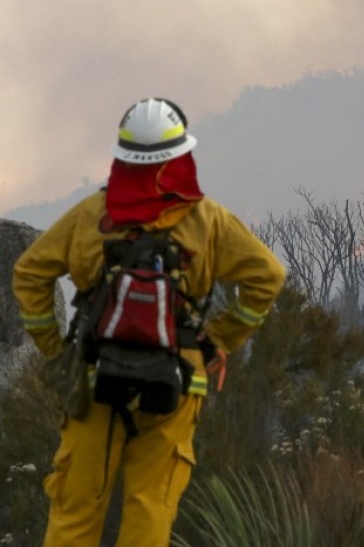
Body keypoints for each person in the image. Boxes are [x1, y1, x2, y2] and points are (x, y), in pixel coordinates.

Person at [12, 97, 286, 547]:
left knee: (76, 509)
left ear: (122, 158)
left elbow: (29, 272)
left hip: (94, 378)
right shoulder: (208, 220)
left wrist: (53, 347)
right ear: (180, 157)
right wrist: (221, 339)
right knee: (150, 506)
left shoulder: (90, 216)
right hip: (177, 382)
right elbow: (268, 276)